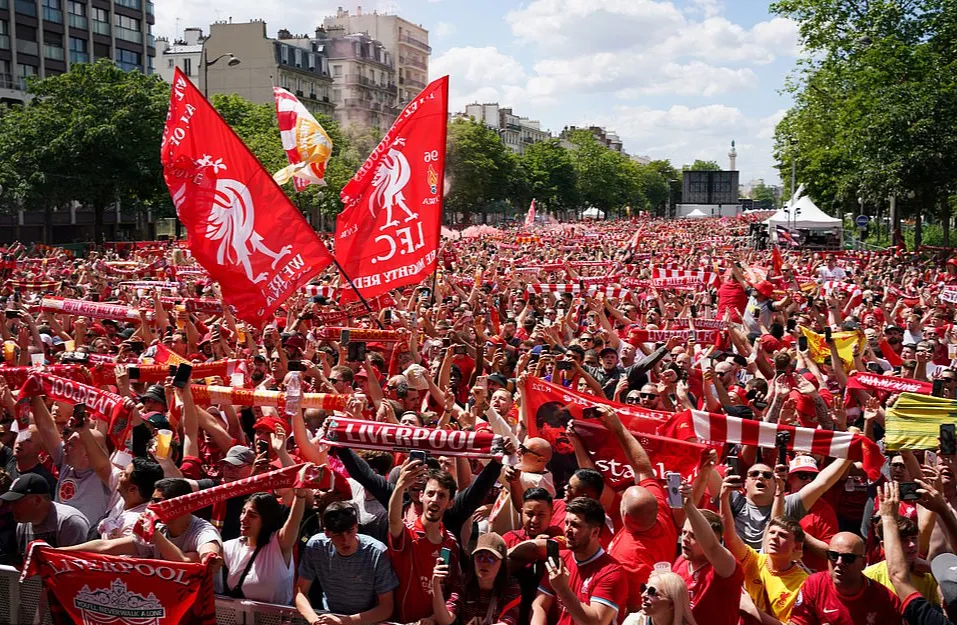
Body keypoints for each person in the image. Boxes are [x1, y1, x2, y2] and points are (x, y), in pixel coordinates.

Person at [599, 406, 678, 612]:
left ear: (624, 515)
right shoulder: (659, 511)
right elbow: (642, 468)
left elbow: (634, 606)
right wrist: (619, 428)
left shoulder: (629, 559)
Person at [721, 470, 807, 624]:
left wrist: (752, 610)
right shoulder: (753, 561)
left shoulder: (804, 583)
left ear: (797, 546)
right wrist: (724, 498)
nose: (774, 537)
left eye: (783, 535)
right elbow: (730, 537)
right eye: (772, 533)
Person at [296, 501, 398, 625]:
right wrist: (315, 620)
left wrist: (343, 622)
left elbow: (386, 608)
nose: (345, 540)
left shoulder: (376, 552)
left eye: (350, 532)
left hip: (366, 621)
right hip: (330, 617)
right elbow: (300, 591)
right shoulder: (316, 547)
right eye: (338, 534)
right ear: (327, 533)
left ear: (356, 527)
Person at [531, 497, 627, 625]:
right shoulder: (560, 559)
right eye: (566, 523)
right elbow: (540, 605)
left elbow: (596, 622)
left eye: (575, 525)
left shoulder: (611, 572)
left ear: (595, 532)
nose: (567, 531)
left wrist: (562, 589)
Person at [388, 460, 461, 623]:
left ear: (450, 503)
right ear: (421, 496)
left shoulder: (450, 544)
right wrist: (400, 486)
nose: (435, 500)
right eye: (430, 493)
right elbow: (393, 521)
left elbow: (453, 589)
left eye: (442, 495)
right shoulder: (407, 533)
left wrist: (434, 619)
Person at [878, 481, 957, 625]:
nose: (912, 545)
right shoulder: (872, 574)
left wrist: (888, 517)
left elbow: (898, 577)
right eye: (903, 540)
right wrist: (943, 510)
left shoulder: (934, 621)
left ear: (943, 604)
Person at [788, 532, 901, 625]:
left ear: (863, 563)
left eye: (848, 558)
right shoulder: (814, 584)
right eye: (833, 555)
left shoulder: (886, 600)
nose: (839, 562)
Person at [672, 482, 742, 625]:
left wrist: (689, 507)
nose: (684, 539)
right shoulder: (682, 561)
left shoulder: (726, 567)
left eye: (693, 536)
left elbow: (711, 547)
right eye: (684, 533)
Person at [222, 490, 305, 605]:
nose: (243, 518)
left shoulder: (278, 544)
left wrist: (300, 495)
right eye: (243, 512)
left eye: (252, 515)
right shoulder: (231, 547)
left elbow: (294, 520)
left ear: (266, 520)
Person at [432, 532, 522, 625]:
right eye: (480, 557)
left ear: (502, 564)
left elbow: (507, 622)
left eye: (492, 558)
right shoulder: (463, 582)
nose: (485, 563)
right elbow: (445, 620)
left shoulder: (511, 587)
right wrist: (436, 584)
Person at [2, 473, 89, 556]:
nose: (11, 507)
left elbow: (78, 565)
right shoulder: (23, 524)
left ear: (37, 500)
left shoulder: (69, 522)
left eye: (16, 502)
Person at [622, 571, 699, 625]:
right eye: (644, 588)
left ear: (672, 604)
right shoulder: (635, 622)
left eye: (652, 592)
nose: (643, 595)